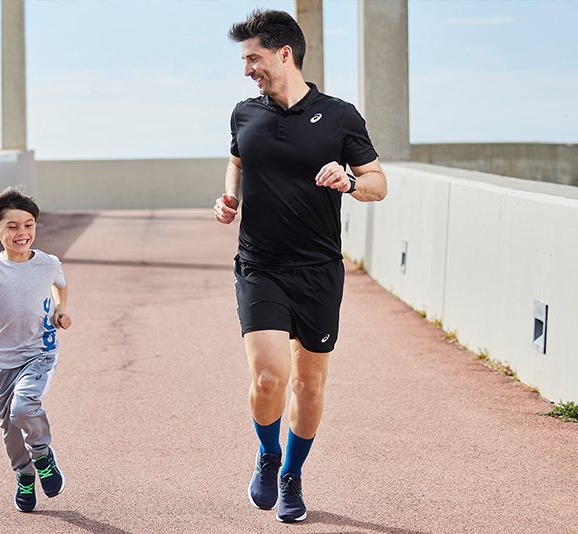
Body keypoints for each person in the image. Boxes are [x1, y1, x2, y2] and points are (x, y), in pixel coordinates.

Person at [215, 9, 387, 523]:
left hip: (317, 270)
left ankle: (292, 473)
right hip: (260, 265)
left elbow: (378, 182)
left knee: (308, 385)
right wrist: (228, 196)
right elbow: (237, 161)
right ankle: (268, 455)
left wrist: (351, 181)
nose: (247, 69)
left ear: (284, 53)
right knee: (270, 378)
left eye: (253, 58)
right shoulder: (244, 113)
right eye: (245, 60)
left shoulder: (339, 116)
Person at [0, 185, 72, 513]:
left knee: (23, 408)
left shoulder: (48, 262)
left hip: (40, 352)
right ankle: (24, 475)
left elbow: (60, 286)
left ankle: (43, 456)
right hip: (4, 360)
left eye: (28, 225)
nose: (22, 233)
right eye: (12, 227)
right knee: (10, 429)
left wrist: (60, 311)